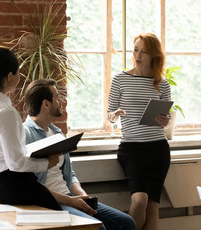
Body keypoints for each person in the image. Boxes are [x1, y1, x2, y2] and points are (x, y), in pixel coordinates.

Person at [22, 79, 136, 230]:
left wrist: (81, 195)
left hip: (70, 197)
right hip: (49, 202)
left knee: (126, 223)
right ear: (46, 104)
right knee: (97, 228)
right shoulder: (25, 133)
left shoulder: (56, 132)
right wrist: (71, 201)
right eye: (56, 97)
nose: (61, 101)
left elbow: (69, 174)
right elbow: (29, 185)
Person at [0, 48, 61, 210]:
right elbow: (16, 163)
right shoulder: (5, 112)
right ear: (9, 76)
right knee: (59, 215)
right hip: (13, 186)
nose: (20, 78)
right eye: (18, 73)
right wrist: (46, 163)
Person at [107, 32, 171, 230]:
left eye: (144, 52)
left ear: (154, 55)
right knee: (140, 200)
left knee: (153, 207)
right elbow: (109, 114)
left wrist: (165, 120)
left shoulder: (163, 83)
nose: (138, 55)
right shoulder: (120, 79)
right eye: (136, 50)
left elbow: (166, 121)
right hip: (131, 149)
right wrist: (114, 115)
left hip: (158, 149)